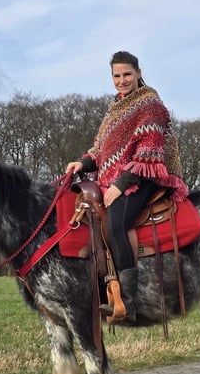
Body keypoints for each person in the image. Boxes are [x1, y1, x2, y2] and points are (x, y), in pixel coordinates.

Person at [65, 51, 189, 322]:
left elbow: (149, 152)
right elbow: (100, 150)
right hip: (117, 178)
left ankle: (128, 303)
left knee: (116, 225)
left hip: (146, 177)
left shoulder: (151, 106)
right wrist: (82, 164)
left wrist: (121, 185)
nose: (121, 80)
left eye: (126, 75)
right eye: (116, 76)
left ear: (138, 73)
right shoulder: (114, 109)